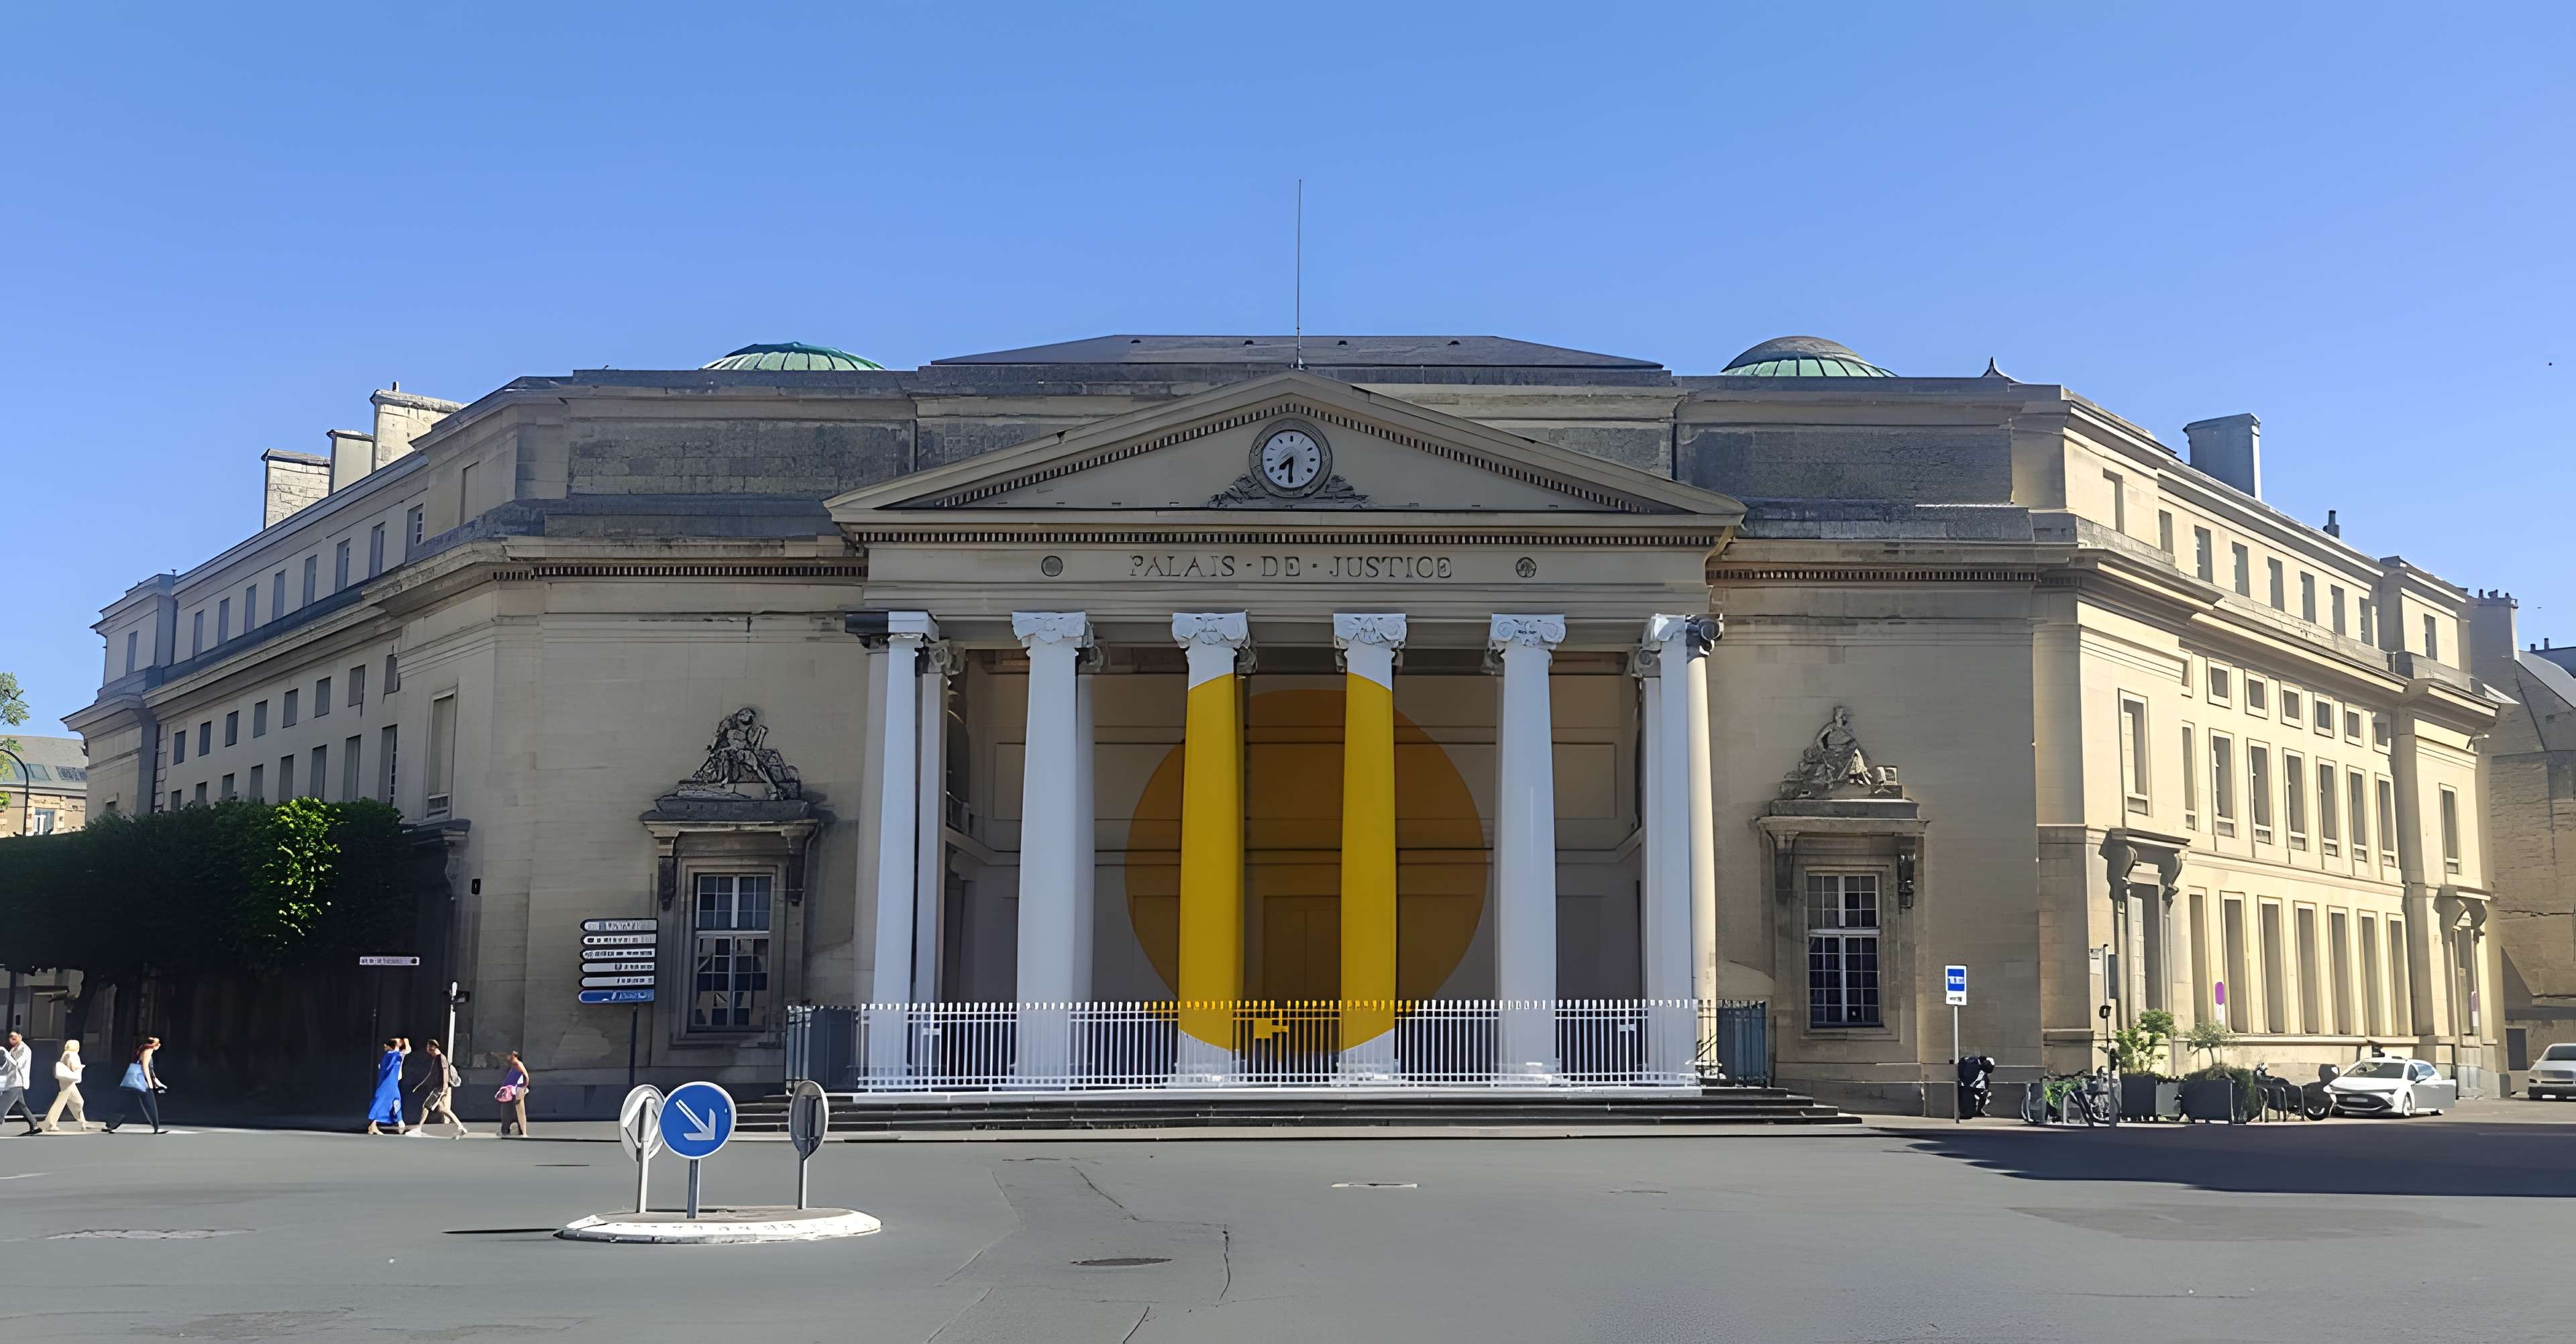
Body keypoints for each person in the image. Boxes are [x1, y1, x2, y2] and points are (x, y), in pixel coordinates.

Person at [408, 1039, 470, 1138]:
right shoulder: (436, 1058)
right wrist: (419, 1085)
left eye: (428, 1047)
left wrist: (444, 1090)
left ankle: (419, 1128)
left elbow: (445, 1074)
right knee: (442, 1109)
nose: (427, 1049)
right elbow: (431, 1074)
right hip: (440, 1087)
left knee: (426, 1106)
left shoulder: (442, 1058)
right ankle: (461, 1127)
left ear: (432, 1047)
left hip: (441, 1088)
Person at [103, 1037, 166, 1134]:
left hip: (135, 1081)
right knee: (150, 1105)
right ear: (153, 1044)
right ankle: (156, 1128)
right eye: (158, 1043)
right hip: (142, 1082)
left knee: (127, 1104)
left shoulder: (143, 1049)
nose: (159, 1045)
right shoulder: (148, 1050)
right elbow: (145, 1066)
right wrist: (149, 1081)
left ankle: (111, 1125)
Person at [42, 1040, 93, 1133]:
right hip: (69, 1081)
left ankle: (82, 1122)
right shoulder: (73, 1054)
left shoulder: (66, 1053)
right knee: (61, 1101)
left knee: (78, 1101)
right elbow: (72, 1067)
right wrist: (80, 1067)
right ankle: (51, 1123)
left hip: (66, 1081)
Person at [365, 1037, 408, 1135]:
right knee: (381, 1101)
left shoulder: (394, 1055)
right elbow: (407, 1050)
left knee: (396, 1100)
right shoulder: (392, 1055)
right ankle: (373, 1126)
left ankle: (400, 1121)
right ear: (397, 1045)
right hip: (387, 1083)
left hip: (392, 1082)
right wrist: (407, 1042)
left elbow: (406, 1051)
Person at [0, 1031, 37, 1135]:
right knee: (22, 1106)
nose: (12, 1039)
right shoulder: (13, 1050)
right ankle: (34, 1124)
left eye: (14, 1037)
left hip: (16, 1082)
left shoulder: (24, 1049)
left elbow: (17, 1064)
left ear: (20, 1037)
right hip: (12, 1082)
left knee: (3, 1105)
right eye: (10, 1037)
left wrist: (7, 1058)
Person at [494, 1051, 530, 1137]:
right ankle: (505, 1130)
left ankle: (523, 1133)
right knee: (506, 1111)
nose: (508, 1057)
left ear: (515, 1056)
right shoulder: (512, 1065)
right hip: (509, 1092)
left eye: (510, 1055)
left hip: (518, 1091)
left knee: (521, 1111)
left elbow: (526, 1077)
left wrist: (522, 1089)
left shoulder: (518, 1064)